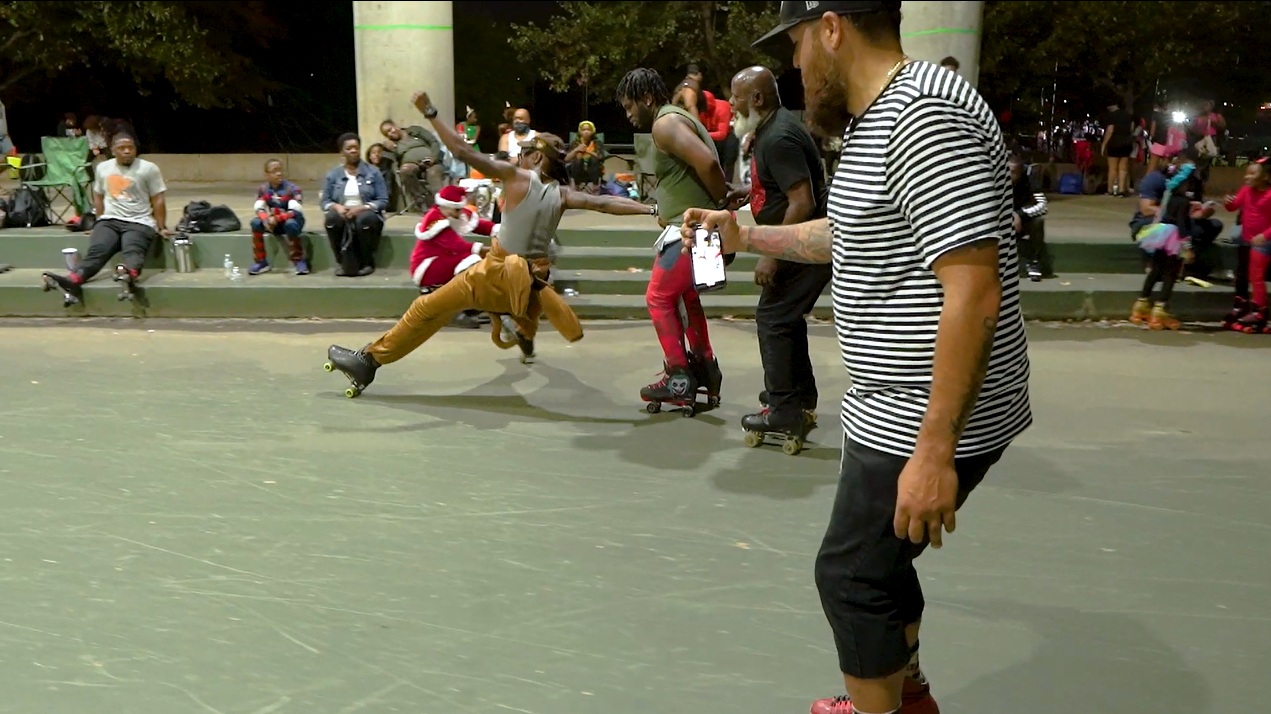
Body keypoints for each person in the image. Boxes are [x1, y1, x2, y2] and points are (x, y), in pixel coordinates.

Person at [686, 3, 1032, 713]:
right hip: (891, 406)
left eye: (796, 45)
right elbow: (845, 233)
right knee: (882, 564)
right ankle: (905, 695)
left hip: (922, 412)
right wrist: (748, 237)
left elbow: (974, 293)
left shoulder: (923, 117)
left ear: (832, 27)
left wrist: (934, 451)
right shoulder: (883, 118)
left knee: (851, 577)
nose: (795, 66)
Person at [325, 90, 657, 395]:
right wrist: (650, 207)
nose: (519, 155)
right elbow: (604, 204)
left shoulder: (516, 177)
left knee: (425, 310)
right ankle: (523, 332)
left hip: (496, 273)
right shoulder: (563, 194)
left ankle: (367, 362)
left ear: (538, 158)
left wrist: (431, 113)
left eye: (525, 151)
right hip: (532, 279)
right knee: (525, 297)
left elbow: (461, 150)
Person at [617, 67, 731, 410]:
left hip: (693, 232)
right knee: (686, 299)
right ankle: (705, 368)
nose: (628, 114)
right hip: (699, 230)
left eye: (630, 106)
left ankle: (678, 376)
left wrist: (720, 207)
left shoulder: (664, 124)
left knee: (658, 298)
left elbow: (709, 164)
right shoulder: (676, 118)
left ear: (647, 99)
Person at [728, 65, 830, 439]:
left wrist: (772, 253)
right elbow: (784, 186)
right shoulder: (773, 128)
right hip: (805, 241)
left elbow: (801, 201)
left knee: (772, 318)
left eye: (735, 97)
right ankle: (796, 394)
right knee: (785, 317)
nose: (730, 104)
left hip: (804, 243)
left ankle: (784, 409)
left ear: (757, 99)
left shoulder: (779, 137)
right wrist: (750, 193)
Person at [42, 133, 173, 304]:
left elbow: (158, 198)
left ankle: (129, 274)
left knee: (133, 248)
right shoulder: (103, 168)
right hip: (110, 220)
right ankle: (74, 279)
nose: (127, 151)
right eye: (122, 148)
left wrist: (161, 226)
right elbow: (98, 195)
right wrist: (98, 220)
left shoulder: (148, 168)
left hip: (139, 221)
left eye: (130, 148)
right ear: (113, 151)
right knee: (98, 251)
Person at [1130, 162, 1207, 330]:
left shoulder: (1167, 197)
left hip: (1160, 234)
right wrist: (1186, 246)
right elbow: (1182, 225)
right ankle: (1160, 310)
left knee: (1156, 269)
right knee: (1170, 274)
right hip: (1173, 239)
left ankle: (1141, 304)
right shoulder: (1184, 201)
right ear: (1183, 184)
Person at [411, 184, 498, 329]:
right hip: (427, 266)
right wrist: (492, 251)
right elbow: (458, 246)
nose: (459, 213)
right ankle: (450, 310)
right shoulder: (434, 219)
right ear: (445, 206)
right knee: (471, 262)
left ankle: (468, 306)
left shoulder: (454, 212)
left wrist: (499, 231)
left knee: (474, 263)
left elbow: (479, 225)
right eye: (456, 210)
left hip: (444, 258)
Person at [320, 133, 389, 277]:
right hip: (342, 212)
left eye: (356, 148)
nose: (353, 151)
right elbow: (325, 201)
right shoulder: (333, 175)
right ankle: (342, 262)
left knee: (364, 219)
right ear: (342, 152)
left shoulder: (373, 172)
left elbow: (383, 200)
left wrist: (361, 208)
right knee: (332, 220)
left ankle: (366, 262)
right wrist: (337, 207)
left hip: (366, 212)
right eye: (349, 148)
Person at [1222, 157, 1271, 332]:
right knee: (1245, 274)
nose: (1247, 177)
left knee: (1256, 276)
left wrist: (1264, 236)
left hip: (1264, 241)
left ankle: (1260, 312)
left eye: (1252, 174)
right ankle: (1243, 306)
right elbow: (1234, 206)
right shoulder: (1246, 190)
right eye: (1246, 173)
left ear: (1266, 177)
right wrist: (1228, 202)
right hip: (1247, 238)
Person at [248, 158, 308, 276]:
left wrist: (277, 218)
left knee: (290, 224)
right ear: (267, 175)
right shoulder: (263, 189)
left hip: (292, 221)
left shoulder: (293, 189)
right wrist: (266, 219)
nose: (279, 173)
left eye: (280, 170)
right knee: (255, 223)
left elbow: (296, 210)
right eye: (275, 171)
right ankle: (261, 262)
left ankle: (298, 260)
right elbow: (259, 207)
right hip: (273, 222)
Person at [381, 119, 445, 210]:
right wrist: (390, 149)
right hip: (412, 165)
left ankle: (443, 205)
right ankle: (424, 201)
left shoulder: (414, 130)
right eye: (386, 134)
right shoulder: (393, 145)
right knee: (405, 170)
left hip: (432, 162)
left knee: (433, 173)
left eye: (390, 129)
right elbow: (391, 161)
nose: (390, 134)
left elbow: (433, 142)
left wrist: (433, 158)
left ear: (395, 126)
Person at [1008, 155, 1050, 281]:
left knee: (1038, 222)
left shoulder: (1030, 179)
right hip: (1002, 217)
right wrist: (1011, 215)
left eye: (1014, 172)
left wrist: (1019, 214)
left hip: (1023, 218)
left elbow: (1043, 206)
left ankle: (1034, 262)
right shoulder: (997, 179)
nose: (1009, 175)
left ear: (1021, 172)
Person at [1101, 102, 1135, 197]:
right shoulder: (1128, 116)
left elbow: (1110, 130)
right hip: (1126, 143)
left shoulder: (1112, 116)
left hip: (1114, 143)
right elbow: (1131, 128)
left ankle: (1110, 190)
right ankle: (1121, 190)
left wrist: (1104, 144)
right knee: (1123, 168)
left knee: (1112, 168)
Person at [566, 121, 606, 191]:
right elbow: (567, 158)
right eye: (583, 130)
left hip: (593, 169)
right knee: (578, 161)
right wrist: (577, 150)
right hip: (578, 169)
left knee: (593, 160)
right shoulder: (575, 143)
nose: (586, 132)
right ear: (580, 132)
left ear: (592, 131)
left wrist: (587, 151)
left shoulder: (597, 142)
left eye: (588, 130)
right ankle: (577, 185)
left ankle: (595, 186)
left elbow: (601, 157)